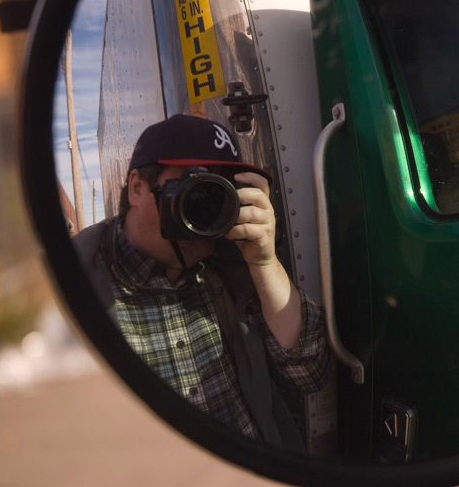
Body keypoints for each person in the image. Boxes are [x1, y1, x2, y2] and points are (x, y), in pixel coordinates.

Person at [73, 114, 329, 451]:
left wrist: (264, 262)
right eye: (196, 190)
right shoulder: (76, 294)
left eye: (222, 193)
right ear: (137, 187)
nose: (211, 209)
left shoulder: (230, 269)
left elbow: (306, 374)